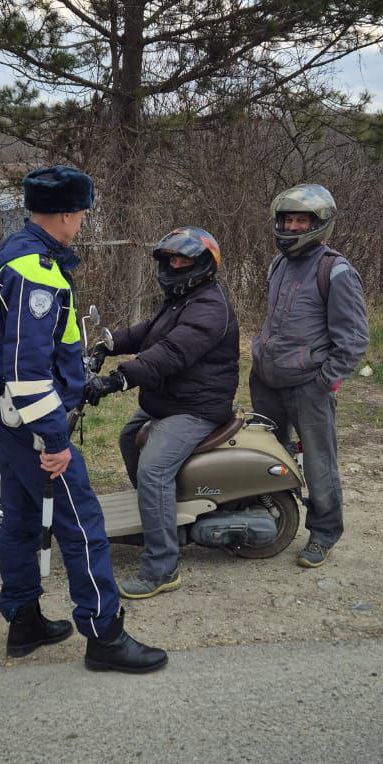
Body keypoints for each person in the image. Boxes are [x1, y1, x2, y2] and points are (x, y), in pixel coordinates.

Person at [0, 163, 167, 673]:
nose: (82, 221)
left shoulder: (11, 254)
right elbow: (26, 370)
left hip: (7, 418)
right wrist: (55, 439)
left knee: (19, 519)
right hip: (32, 422)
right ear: (63, 215)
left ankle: (24, 619)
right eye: (81, 213)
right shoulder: (35, 273)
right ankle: (104, 635)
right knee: (82, 524)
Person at [86, 228, 239, 599]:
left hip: (196, 408)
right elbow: (149, 332)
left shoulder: (209, 308)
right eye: (170, 259)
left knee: (154, 471)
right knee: (128, 438)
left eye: (183, 260)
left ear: (203, 265)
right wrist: (108, 344)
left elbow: (169, 353)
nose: (174, 266)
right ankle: (157, 516)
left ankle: (162, 569)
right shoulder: (180, 298)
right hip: (172, 402)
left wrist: (118, 380)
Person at [250, 184, 369, 568]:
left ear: (318, 225)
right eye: (287, 219)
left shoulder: (335, 271)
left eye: (302, 220)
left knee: (318, 463)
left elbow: (353, 340)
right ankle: (272, 518)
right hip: (266, 381)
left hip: (308, 386)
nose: (293, 226)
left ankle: (323, 534)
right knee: (267, 456)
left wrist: (323, 383)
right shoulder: (278, 264)